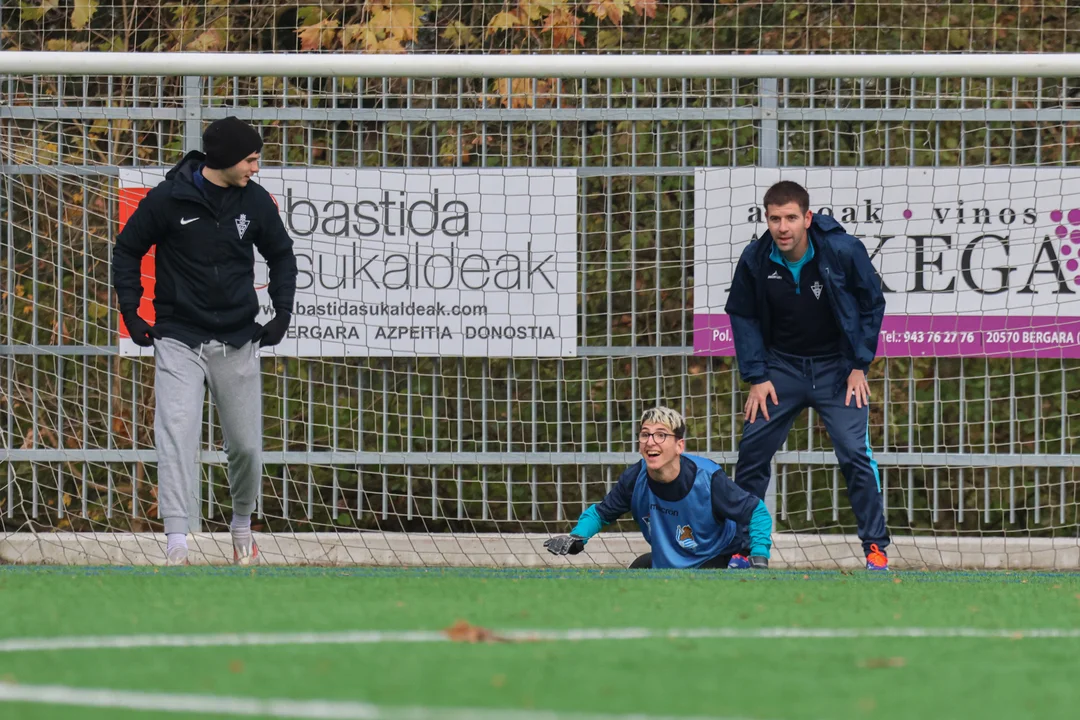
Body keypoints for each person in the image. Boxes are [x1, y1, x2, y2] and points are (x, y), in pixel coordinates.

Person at [112, 116, 297, 566]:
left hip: (238, 339)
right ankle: (176, 542)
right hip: (179, 338)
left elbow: (281, 255)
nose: (255, 167)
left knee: (246, 446)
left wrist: (282, 314)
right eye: (250, 159)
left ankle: (241, 526)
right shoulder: (168, 198)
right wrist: (132, 312)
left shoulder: (255, 201)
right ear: (226, 158)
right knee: (176, 437)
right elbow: (127, 250)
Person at [724, 180, 890, 570]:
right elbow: (743, 315)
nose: (783, 228)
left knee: (855, 454)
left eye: (791, 218)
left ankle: (875, 549)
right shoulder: (755, 258)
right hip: (780, 369)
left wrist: (858, 365)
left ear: (807, 218)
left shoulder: (843, 250)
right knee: (752, 453)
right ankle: (744, 549)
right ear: (766, 220)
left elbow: (872, 304)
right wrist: (757, 376)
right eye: (775, 219)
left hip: (838, 371)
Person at [544, 407, 772, 569]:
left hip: (718, 556)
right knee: (636, 574)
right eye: (645, 434)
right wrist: (577, 537)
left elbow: (757, 512)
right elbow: (600, 514)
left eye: (661, 435)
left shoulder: (708, 477)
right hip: (670, 561)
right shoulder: (634, 478)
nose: (651, 441)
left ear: (679, 445)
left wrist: (759, 556)